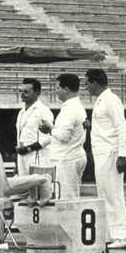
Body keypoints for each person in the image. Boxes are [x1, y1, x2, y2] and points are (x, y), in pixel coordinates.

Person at [84, 69, 126, 250]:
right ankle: (112, 235)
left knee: (113, 196)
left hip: (111, 154)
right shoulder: (100, 101)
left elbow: (122, 128)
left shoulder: (111, 100)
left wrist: (122, 155)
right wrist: (90, 126)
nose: (86, 87)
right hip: (101, 154)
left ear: (95, 83)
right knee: (104, 195)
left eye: (87, 83)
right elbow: (106, 128)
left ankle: (121, 236)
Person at [39, 73, 87, 201]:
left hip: (67, 158)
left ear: (66, 89)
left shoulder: (69, 109)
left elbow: (63, 135)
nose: (56, 91)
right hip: (73, 155)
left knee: (67, 197)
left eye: (57, 88)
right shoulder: (76, 106)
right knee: (70, 194)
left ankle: (70, 221)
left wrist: (49, 128)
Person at [14, 78, 54, 176]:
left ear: (37, 93)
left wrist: (29, 148)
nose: (22, 94)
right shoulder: (21, 112)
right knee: (23, 187)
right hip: (22, 156)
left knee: (38, 188)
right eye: (21, 91)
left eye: (26, 91)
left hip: (37, 155)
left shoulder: (43, 110)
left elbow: (49, 137)